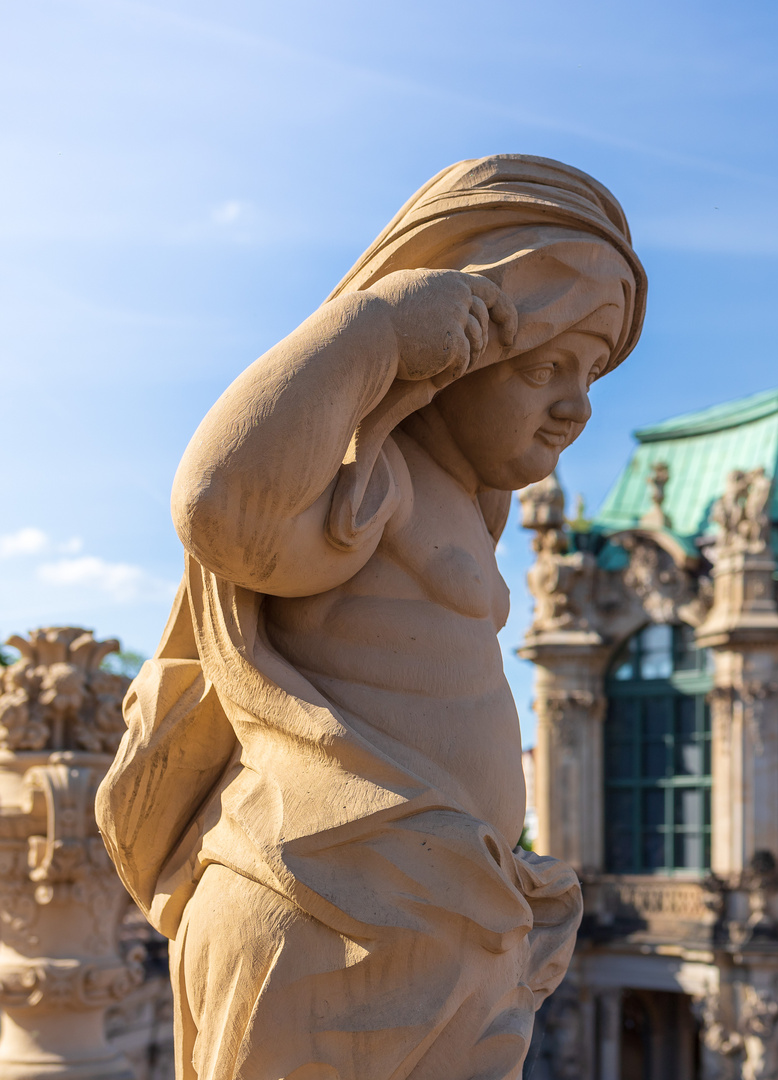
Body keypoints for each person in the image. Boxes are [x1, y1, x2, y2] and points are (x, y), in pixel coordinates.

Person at [96, 155, 645, 1080]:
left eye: (590, 373)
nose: (575, 407)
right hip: (323, 910)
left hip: (439, 913)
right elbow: (220, 506)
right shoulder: (368, 482)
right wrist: (374, 327)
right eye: (549, 365)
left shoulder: (459, 505)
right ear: (455, 348)